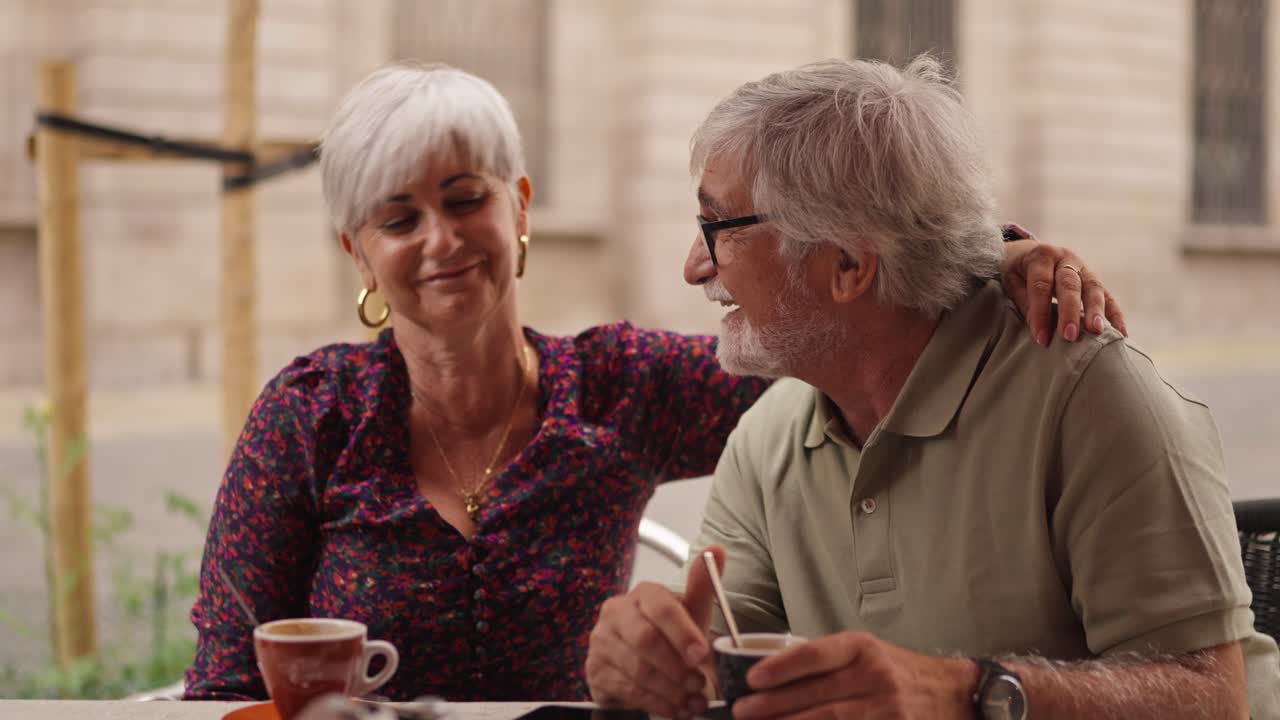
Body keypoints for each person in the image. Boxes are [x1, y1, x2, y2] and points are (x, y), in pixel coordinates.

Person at [184, 61, 1122, 702]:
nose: (439, 240)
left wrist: (990, 258)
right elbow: (223, 683)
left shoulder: (619, 385)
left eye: (465, 198)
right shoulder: (311, 416)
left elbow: (856, 344)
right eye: (398, 218)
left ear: (517, 207)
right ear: (358, 252)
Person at [586, 56, 1280, 719]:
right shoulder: (770, 435)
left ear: (850, 264)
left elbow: (1214, 699)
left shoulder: (1092, 398)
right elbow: (726, 659)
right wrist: (654, 665)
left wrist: (966, 694)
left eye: (717, 228)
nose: (693, 267)